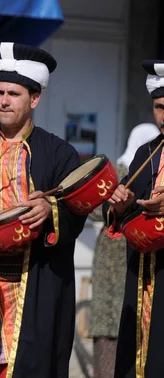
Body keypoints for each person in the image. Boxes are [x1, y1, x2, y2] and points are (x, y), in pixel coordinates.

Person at [0, 42, 87, 378]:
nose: (4, 101)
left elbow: (78, 207)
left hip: (32, 284)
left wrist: (51, 208)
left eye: (13, 94)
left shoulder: (59, 153)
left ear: (34, 99)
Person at [107, 60, 164, 377]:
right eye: (159, 107)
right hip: (142, 275)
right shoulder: (146, 153)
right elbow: (123, 211)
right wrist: (121, 204)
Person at [89, 123, 159, 378]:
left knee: (112, 322)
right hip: (131, 250)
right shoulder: (137, 170)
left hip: (112, 250)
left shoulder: (119, 170)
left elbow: (97, 210)